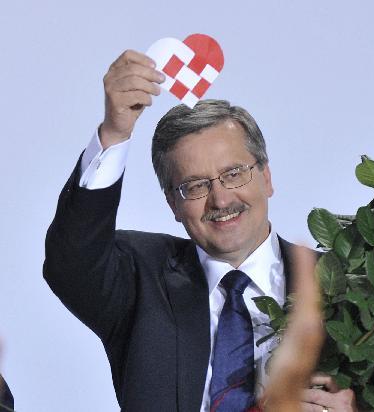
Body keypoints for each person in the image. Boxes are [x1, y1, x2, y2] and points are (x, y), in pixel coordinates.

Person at [44, 50, 357, 411]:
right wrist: (115, 133)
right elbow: (72, 263)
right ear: (173, 204)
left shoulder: (345, 286)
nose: (220, 200)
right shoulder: (140, 279)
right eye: (194, 186)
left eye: (234, 173)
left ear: (266, 177)